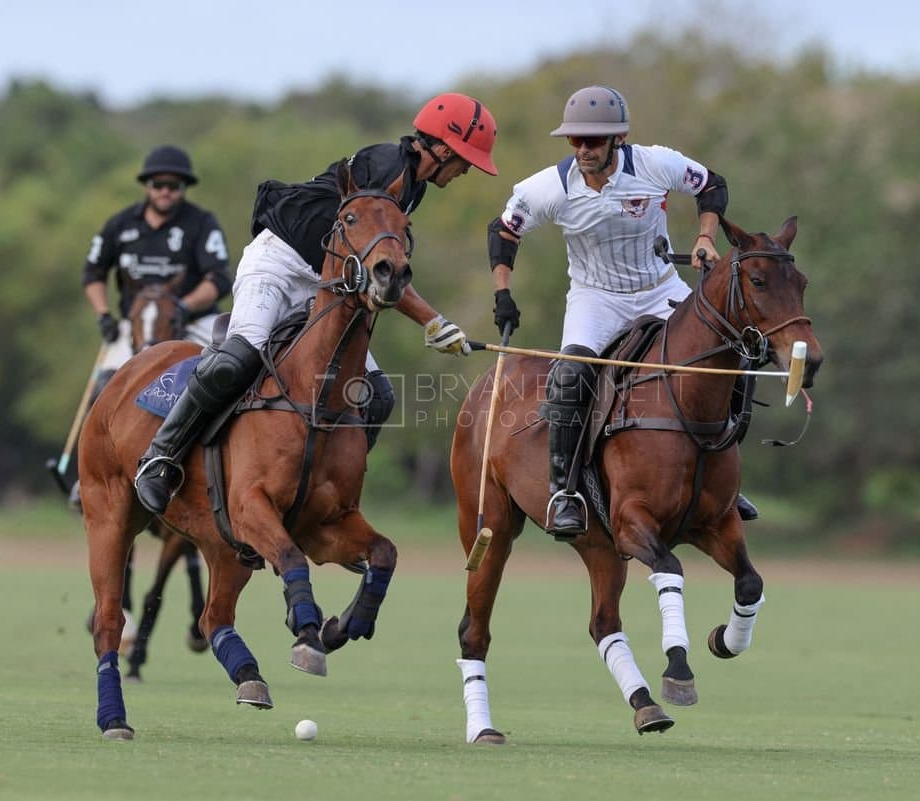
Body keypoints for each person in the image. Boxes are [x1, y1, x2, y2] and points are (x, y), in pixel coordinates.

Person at [134, 93, 498, 514]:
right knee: (237, 358)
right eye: (466, 161)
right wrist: (433, 321)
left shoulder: (411, 187)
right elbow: (382, 270)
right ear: (444, 149)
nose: (466, 171)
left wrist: (432, 321)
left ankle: (330, 492)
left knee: (377, 396)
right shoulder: (386, 169)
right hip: (278, 262)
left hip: (322, 280)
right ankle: (161, 457)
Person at [486, 85, 758, 538]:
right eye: (575, 140)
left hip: (660, 290)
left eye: (593, 140)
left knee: (730, 360)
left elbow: (712, 185)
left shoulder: (655, 164)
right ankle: (564, 492)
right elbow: (503, 230)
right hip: (595, 299)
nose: (582, 149)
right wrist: (502, 293)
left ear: (619, 138)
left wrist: (705, 237)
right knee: (570, 377)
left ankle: (723, 476)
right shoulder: (551, 186)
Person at [74, 144, 232, 511]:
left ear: (184, 188)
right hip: (136, 324)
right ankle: (89, 477)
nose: (165, 191)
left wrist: (184, 305)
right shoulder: (121, 225)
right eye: (159, 184)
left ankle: (221, 463)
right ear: (147, 186)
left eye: (174, 186)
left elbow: (219, 278)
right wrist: (103, 314)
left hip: (191, 320)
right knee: (103, 386)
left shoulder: (200, 223)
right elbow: (93, 273)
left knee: (226, 372)